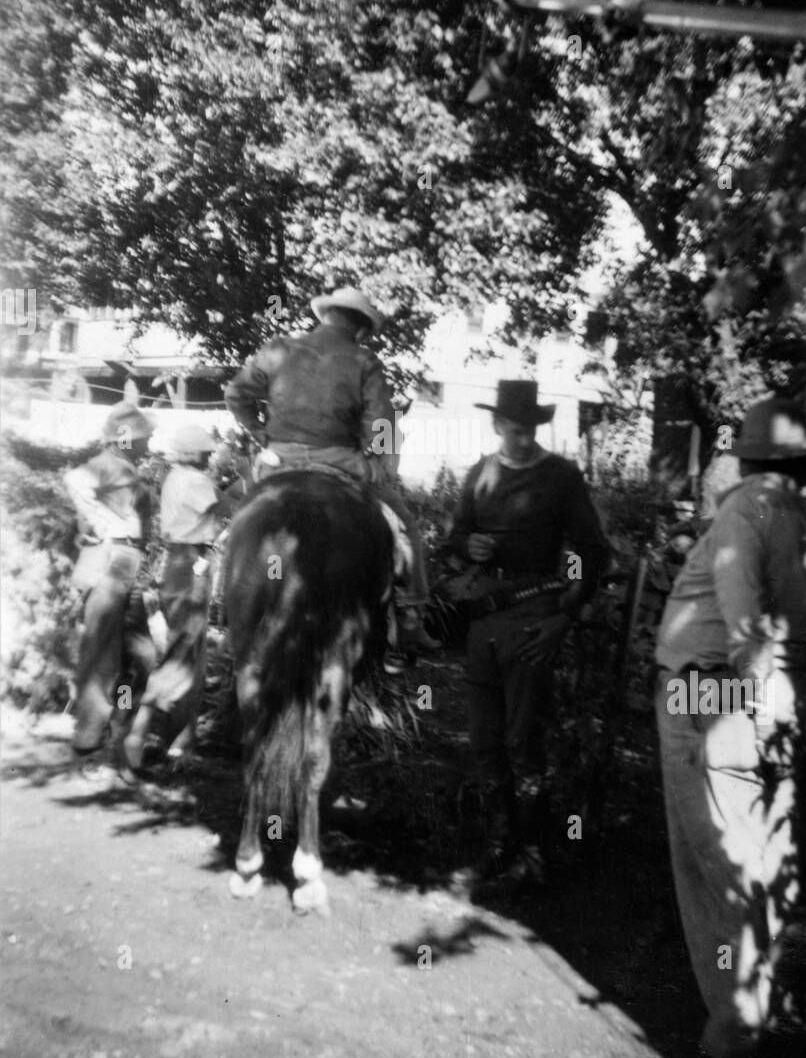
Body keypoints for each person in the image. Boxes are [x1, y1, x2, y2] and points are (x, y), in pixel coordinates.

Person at [653, 397, 806, 1058]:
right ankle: (760, 1009)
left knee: (710, 865)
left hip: (709, 691)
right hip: (786, 701)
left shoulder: (745, 508)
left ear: (751, 456)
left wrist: (757, 701)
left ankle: (734, 1035)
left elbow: (742, 623)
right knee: (764, 858)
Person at [448, 380, 608, 885]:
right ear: (496, 425)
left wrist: (566, 613)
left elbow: (591, 552)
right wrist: (466, 546)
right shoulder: (481, 473)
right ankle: (499, 845)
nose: (520, 440)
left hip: (534, 615)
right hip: (484, 616)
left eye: (529, 431)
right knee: (485, 740)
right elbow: (454, 538)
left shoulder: (560, 477)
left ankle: (534, 853)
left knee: (525, 740)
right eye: (512, 430)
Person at [224, 286, 436, 652]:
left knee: (233, 529)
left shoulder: (278, 349)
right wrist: (378, 463)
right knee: (405, 529)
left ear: (324, 316)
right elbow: (381, 423)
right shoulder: (363, 360)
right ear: (361, 329)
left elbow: (236, 394)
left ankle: (227, 613)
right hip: (342, 461)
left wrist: (259, 431)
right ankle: (409, 617)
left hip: (277, 460)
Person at [124, 422, 225, 770]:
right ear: (194, 453)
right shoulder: (196, 481)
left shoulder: (173, 477)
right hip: (192, 563)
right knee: (182, 654)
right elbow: (223, 509)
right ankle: (137, 734)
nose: (211, 456)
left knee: (189, 654)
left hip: (178, 562)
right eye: (207, 452)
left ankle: (180, 740)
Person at [65, 403, 157, 755]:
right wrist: (95, 523)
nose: (149, 441)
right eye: (144, 436)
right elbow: (75, 481)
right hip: (110, 559)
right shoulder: (107, 465)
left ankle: (118, 720)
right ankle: (89, 732)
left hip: (124, 560)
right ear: (124, 438)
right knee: (104, 650)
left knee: (139, 651)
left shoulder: (124, 468)